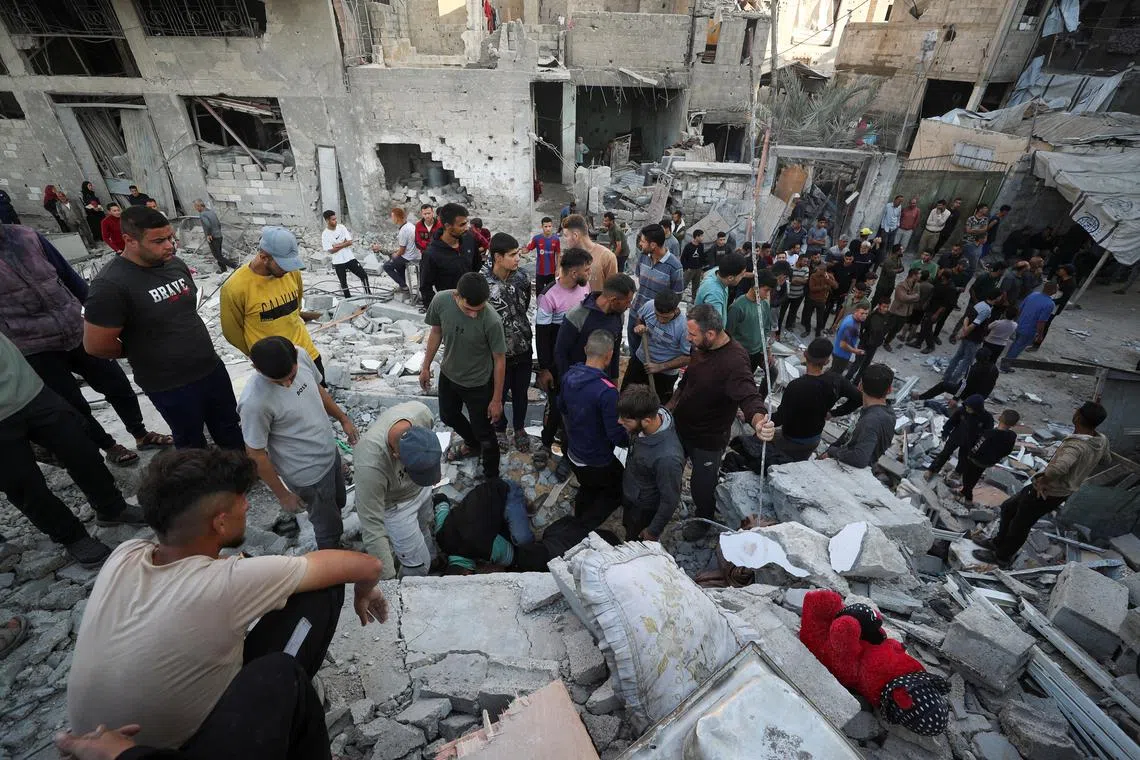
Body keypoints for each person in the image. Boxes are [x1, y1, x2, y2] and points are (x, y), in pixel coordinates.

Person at [65, 447, 390, 754]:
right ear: (220, 523)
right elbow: (368, 566)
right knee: (319, 599)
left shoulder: (126, 553)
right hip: (182, 752)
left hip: (101, 747)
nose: (247, 506)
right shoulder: (226, 583)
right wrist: (365, 590)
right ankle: (291, 714)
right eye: (241, 500)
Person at [1, 224, 171, 465]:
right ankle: (108, 445)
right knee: (73, 403)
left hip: (77, 328)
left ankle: (140, 433)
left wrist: (99, 314)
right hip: (33, 345)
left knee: (118, 385)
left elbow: (69, 277)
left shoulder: (27, 237)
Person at [84, 207, 243, 450]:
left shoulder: (174, 264)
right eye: (159, 241)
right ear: (129, 240)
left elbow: (186, 309)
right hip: (170, 384)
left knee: (229, 427)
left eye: (170, 237)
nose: (170, 245)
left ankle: (239, 469)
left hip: (210, 369)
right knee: (191, 444)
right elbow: (96, 345)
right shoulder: (110, 286)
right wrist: (142, 349)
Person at [0, 332, 143, 567]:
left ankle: (111, 508)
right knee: (22, 483)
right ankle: (71, 536)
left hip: (29, 390)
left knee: (80, 447)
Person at [239, 337, 357, 550]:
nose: (287, 384)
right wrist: (283, 495)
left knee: (338, 502)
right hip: (306, 474)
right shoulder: (254, 403)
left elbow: (318, 389)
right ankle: (331, 558)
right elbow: (256, 453)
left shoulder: (301, 355)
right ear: (255, 367)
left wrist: (343, 418)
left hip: (329, 453)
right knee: (327, 528)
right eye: (278, 381)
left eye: (292, 376)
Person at [668, 304, 770, 540]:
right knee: (671, 467)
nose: (688, 338)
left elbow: (749, 395)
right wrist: (671, 405)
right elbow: (687, 379)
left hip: (708, 438)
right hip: (682, 425)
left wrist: (759, 420)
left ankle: (704, 519)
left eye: (692, 334)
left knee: (702, 485)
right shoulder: (700, 347)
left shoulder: (735, 361)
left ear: (711, 334)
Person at [974, 402, 1111, 567]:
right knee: (1009, 507)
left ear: (1078, 417)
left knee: (1020, 524)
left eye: (1078, 410)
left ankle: (1002, 557)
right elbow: (1105, 460)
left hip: (1047, 491)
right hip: (1059, 491)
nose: (1075, 411)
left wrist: (1044, 480)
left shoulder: (1076, 446)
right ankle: (997, 543)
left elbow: (1059, 468)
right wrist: (1083, 466)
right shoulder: (1100, 440)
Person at [421, 272, 506, 479]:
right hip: (449, 375)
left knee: (485, 431)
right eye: (468, 309)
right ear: (456, 296)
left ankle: (492, 476)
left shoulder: (492, 320)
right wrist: (425, 366)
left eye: (479, 309)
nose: (474, 315)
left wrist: (496, 400)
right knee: (448, 415)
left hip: (478, 384)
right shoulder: (441, 301)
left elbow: (499, 360)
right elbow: (436, 332)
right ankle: (472, 443)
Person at [220, 226, 324, 379]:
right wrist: (261, 357)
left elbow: (296, 307)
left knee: (320, 390)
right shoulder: (235, 287)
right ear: (264, 257)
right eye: (283, 264)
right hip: (276, 365)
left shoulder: (291, 272)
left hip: (306, 352)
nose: (288, 270)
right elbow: (232, 333)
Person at [354, 402, 442, 579]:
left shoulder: (422, 413)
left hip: (421, 490)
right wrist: (388, 581)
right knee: (418, 566)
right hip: (397, 507)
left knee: (425, 526)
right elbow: (372, 527)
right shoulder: (371, 463)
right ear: (396, 456)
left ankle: (434, 560)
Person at [559, 330, 628, 529]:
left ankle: (580, 514)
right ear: (609, 355)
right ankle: (583, 528)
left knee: (588, 486)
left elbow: (562, 409)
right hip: (596, 459)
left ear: (585, 349)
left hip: (572, 450)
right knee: (617, 488)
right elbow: (616, 435)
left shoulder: (569, 376)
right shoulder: (607, 391)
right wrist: (632, 439)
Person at [534, 248, 591, 468]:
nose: (589, 273)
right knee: (556, 405)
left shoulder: (585, 286)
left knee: (577, 408)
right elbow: (542, 336)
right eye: (587, 270)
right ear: (574, 272)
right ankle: (546, 443)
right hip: (558, 364)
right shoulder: (549, 295)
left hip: (581, 361)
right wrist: (546, 368)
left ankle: (570, 452)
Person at [770, 338, 862, 462]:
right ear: (827, 361)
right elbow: (859, 398)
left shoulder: (796, 386)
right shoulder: (836, 381)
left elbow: (780, 418)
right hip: (812, 440)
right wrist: (833, 413)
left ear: (805, 354)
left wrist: (758, 418)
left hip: (791, 439)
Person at [484, 233, 533, 452]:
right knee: (499, 392)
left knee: (521, 392)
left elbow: (525, 304)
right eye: (513, 255)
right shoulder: (482, 282)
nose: (517, 259)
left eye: (518, 254)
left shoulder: (522, 277)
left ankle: (520, 428)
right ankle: (500, 428)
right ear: (498, 257)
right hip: (497, 352)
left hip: (522, 346)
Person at [617, 385, 684, 542]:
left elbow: (670, 500)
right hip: (633, 491)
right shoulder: (647, 416)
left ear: (646, 421)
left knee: (634, 538)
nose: (619, 421)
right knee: (628, 523)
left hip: (643, 508)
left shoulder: (668, 459)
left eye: (626, 420)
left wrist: (653, 530)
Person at [819, 363, 895, 468]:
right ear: (889, 390)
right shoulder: (881, 411)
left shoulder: (872, 420)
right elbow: (850, 435)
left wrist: (833, 452)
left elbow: (860, 458)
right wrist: (831, 450)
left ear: (860, 386)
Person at [623, 290, 690, 403]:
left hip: (664, 374)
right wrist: (639, 326)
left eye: (665, 317)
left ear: (675, 310)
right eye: (657, 315)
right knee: (627, 398)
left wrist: (660, 367)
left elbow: (688, 357)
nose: (660, 320)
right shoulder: (649, 305)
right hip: (640, 361)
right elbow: (640, 318)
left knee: (656, 405)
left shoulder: (684, 327)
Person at [629, 223, 684, 353]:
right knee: (634, 352)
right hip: (636, 312)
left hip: (655, 320)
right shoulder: (643, 257)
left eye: (643, 241)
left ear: (653, 245)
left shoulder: (675, 267)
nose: (640, 244)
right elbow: (639, 281)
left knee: (650, 355)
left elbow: (676, 297)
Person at [952, 408, 1019, 507]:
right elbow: (1008, 451)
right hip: (989, 462)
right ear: (1014, 424)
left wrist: (970, 455)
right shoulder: (1012, 436)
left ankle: (968, 498)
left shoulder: (989, 434)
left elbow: (978, 446)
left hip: (976, 460)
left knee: (967, 478)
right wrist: (997, 458)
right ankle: (963, 492)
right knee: (975, 476)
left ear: (1000, 418)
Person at [419, 202, 479, 306]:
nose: (467, 227)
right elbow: (425, 288)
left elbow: (477, 267)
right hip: (451, 307)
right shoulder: (431, 254)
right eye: (462, 225)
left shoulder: (469, 239)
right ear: (447, 226)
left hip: (474, 303)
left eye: (467, 223)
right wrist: (440, 310)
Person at [924, 394, 993, 482]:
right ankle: (932, 470)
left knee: (963, 458)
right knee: (945, 453)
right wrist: (945, 433)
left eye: (970, 408)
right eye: (967, 406)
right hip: (956, 436)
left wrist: (979, 446)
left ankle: (957, 473)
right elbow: (951, 422)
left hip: (970, 442)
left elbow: (987, 434)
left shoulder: (986, 418)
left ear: (977, 408)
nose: (967, 409)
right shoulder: (962, 410)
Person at [941, 291, 1002, 388]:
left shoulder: (980, 304)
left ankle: (946, 377)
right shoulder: (987, 310)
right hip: (974, 339)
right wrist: (964, 333)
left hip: (968, 336)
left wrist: (964, 331)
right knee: (967, 361)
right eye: (1000, 297)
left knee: (957, 357)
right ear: (997, 297)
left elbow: (967, 318)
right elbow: (974, 325)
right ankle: (953, 382)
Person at [1000, 282, 1057, 373]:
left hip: (1020, 324)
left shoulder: (1033, 295)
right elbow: (1041, 322)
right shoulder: (1050, 304)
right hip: (1029, 329)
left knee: (1015, 344)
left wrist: (1016, 321)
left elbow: (1020, 309)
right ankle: (1005, 366)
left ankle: (1006, 361)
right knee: (1018, 347)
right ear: (1053, 290)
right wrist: (1040, 335)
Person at [727, 271, 776, 374]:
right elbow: (728, 335)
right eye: (766, 290)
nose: (767, 294)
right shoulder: (738, 307)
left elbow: (766, 330)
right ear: (755, 286)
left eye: (770, 291)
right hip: (741, 354)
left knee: (772, 372)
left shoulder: (764, 305)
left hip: (758, 352)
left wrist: (768, 351)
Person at [917, 347, 1000, 404]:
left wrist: (955, 398)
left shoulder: (973, 368)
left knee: (943, 385)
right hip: (981, 397)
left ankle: (921, 397)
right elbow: (991, 385)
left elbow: (964, 385)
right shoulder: (994, 369)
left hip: (968, 394)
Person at [320, 210, 370, 299]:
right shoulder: (325, 234)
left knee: (363, 275)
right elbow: (331, 251)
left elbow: (350, 242)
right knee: (343, 283)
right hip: (338, 261)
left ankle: (368, 295)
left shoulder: (342, 227)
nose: (335, 221)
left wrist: (337, 245)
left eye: (335, 219)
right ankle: (348, 299)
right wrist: (344, 243)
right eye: (333, 219)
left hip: (349, 258)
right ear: (327, 221)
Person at [561, 213, 617, 293]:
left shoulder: (607, 257)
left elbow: (613, 292)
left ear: (575, 236)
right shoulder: (567, 259)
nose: (564, 240)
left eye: (566, 235)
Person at [910, 269, 959, 354]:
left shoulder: (950, 288)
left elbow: (945, 304)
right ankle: (918, 342)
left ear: (943, 276)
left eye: (940, 273)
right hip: (931, 307)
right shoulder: (939, 282)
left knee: (927, 328)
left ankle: (930, 346)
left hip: (936, 311)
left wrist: (936, 314)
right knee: (924, 325)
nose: (938, 273)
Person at [694, 252, 749, 322]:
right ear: (730, 278)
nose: (743, 276)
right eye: (741, 274)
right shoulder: (714, 294)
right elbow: (714, 325)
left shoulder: (717, 272)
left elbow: (706, 273)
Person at [849, 299, 890, 383]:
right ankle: (847, 379)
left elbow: (885, 330)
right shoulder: (871, 315)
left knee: (865, 365)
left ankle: (856, 382)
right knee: (857, 364)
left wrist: (880, 340)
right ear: (879, 306)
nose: (885, 309)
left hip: (874, 345)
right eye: (884, 307)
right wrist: (863, 339)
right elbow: (861, 328)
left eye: (887, 307)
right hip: (865, 343)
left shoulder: (887, 316)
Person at [881, 267, 921, 351]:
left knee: (896, 330)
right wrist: (914, 296)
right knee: (887, 327)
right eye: (919, 274)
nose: (920, 275)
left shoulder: (917, 285)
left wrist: (911, 297)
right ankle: (878, 339)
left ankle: (887, 342)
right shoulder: (901, 285)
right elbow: (903, 298)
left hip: (906, 312)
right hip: (896, 311)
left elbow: (918, 297)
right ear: (914, 275)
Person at [380, 207, 418, 293]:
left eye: (392, 217)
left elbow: (402, 250)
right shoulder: (410, 225)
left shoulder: (403, 231)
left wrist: (395, 254)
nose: (392, 219)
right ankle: (403, 286)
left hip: (410, 256)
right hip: (415, 253)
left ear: (397, 217)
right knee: (398, 263)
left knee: (387, 266)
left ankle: (403, 286)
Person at [1036, 265, 1075, 347]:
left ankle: (1037, 344)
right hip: (1051, 300)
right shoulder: (1060, 279)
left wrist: (1050, 302)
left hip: (1054, 306)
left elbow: (1064, 298)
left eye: (1062, 269)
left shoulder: (1070, 284)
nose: (1060, 270)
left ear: (1066, 271)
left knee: (1045, 324)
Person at [830, 300, 870, 377]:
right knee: (835, 375)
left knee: (834, 370)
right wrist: (855, 351)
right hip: (841, 355)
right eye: (862, 313)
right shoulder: (851, 326)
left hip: (838, 351)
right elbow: (843, 345)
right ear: (856, 311)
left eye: (866, 313)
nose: (864, 316)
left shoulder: (850, 316)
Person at [896, 270, 933, 345]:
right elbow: (930, 298)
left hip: (912, 305)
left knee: (908, 321)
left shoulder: (916, 284)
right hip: (921, 308)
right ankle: (910, 337)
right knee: (915, 323)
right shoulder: (931, 287)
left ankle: (903, 336)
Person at [802, 259, 837, 338]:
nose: (818, 271)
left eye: (820, 270)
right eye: (818, 269)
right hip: (811, 299)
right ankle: (807, 330)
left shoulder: (828, 276)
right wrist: (824, 287)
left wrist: (828, 279)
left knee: (820, 319)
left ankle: (818, 333)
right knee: (808, 316)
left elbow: (835, 286)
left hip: (821, 301)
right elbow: (812, 288)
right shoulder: (813, 276)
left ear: (824, 271)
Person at [527, 216, 561, 294]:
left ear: (552, 226)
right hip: (540, 272)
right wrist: (519, 251)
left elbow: (558, 254)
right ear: (542, 227)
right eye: (546, 226)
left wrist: (558, 268)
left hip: (551, 272)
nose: (548, 229)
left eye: (549, 226)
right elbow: (528, 249)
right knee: (539, 294)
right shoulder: (537, 239)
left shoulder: (556, 239)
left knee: (550, 293)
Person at [783, 253, 810, 330]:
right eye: (804, 261)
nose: (806, 263)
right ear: (799, 260)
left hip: (798, 295)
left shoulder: (806, 269)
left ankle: (788, 326)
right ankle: (778, 326)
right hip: (788, 294)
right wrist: (799, 280)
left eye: (807, 261)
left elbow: (805, 281)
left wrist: (795, 279)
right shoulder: (791, 268)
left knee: (793, 312)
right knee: (782, 311)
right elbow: (789, 280)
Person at [681, 228, 708, 300]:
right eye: (701, 236)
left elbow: (702, 256)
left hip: (698, 269)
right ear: (696, 237)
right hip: (690, 269)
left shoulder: (701, 245)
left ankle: (694, 299)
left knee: (696, 285)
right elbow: (683, 258)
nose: (703, 238)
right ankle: (677, 296)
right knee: (684, 284)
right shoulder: (688, 246)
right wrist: (686, 268)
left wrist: (702, 267)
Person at [962, 204, 990, 270]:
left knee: (975, 257)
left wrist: (974, 230)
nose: (987, 210)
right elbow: (968, 230)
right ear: (980, 209)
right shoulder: (971, 218)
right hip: (968, 240)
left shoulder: (985, 219)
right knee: (965, 257)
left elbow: (984, 230)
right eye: (985, 208)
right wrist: (980, 230)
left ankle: (971, 269)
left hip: (978, 241)